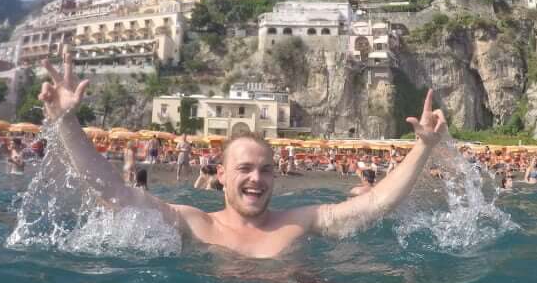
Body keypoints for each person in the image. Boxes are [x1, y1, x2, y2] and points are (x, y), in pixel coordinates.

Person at [38, 47, 448, 258]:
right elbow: (116, 195)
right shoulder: (194, 225)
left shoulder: (302, 221)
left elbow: (376, 205)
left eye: (265, 169)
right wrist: (66, 123)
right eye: (245, 168)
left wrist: (423, 147)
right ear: (220, 174)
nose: (257, 178)